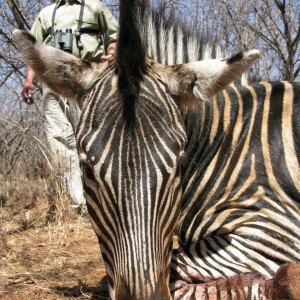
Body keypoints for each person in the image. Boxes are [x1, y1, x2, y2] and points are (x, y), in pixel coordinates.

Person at [21, 0, 118, 212]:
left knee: (94, 138)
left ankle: (103, 199)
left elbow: (114, 38)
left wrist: (111, 54)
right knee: (59, 139)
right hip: (52, 80)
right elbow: (33, 49)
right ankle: (77, 204)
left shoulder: (95, 6)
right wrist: (29, 81)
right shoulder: (46, 13)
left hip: (87, 76)